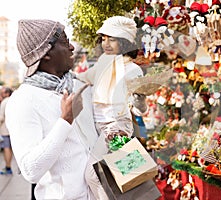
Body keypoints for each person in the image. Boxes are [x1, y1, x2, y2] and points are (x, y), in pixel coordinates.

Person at [5, 19, 105, 200]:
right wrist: (65, 121)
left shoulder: (79, 86)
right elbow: (30, 170)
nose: (72, 47)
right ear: (46, 53)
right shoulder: (22, 101)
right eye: (65, 42)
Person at [76, 16, 148, 199]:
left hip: (117, 127)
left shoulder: (134, 69)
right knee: (119, 178)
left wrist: (140, 99)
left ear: (124, 42)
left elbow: (141, 110)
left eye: (112, 38)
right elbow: (84, 78)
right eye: (104, 38)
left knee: (92, 175)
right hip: (97, 126)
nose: (106, 43)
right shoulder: (103, 61)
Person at [0, 86, 13, 175]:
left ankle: (8, 167)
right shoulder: (14, 100)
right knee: (10, 148)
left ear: (7, 93)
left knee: (6, 148)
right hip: (12, 129)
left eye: (2, 92)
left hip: (5, 129)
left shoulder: (4, 102)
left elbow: (1, 118)